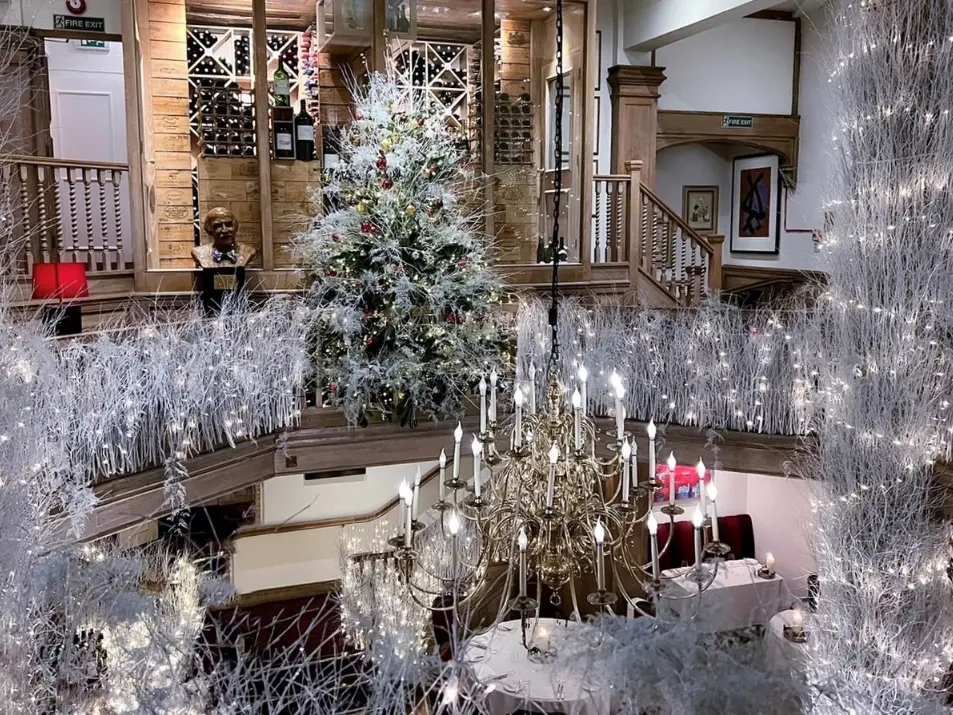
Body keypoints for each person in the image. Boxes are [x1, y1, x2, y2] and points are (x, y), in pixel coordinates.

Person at [191, 207, 257, 268]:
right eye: (218, 226)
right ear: (209, 230)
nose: (224, 230)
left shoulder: (248, 251)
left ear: (236, 227)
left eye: (229, 225)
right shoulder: (199, 252)